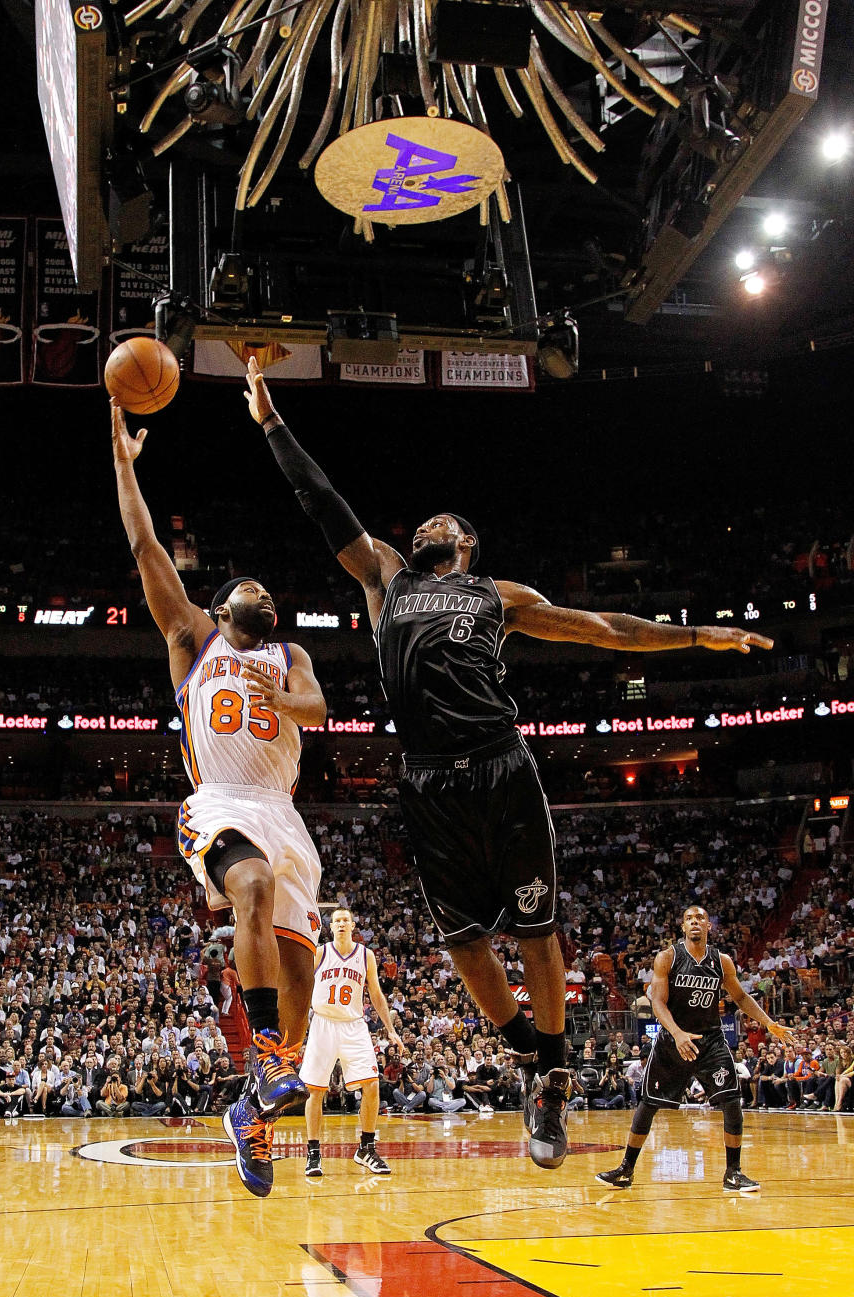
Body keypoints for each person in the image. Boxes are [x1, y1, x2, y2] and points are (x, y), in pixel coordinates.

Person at [245, 359, 774, 1171]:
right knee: (463, 948)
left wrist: (697, 637)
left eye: (444, 523)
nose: (430, 524)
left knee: (537, 934)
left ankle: (552, 1085)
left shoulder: (499, 595)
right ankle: (540, 1061)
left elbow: (602, 628)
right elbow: (324, 505)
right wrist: (274, 422)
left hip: (501, 766)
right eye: (426, 521)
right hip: (426, 779)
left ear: (465, 546)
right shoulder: (385, 575)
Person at [111, 398, 328, 1198]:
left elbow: (317, 708)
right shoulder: (192, 639)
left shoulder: (289, 653)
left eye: (271, 593)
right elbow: (143, 546)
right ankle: (263, 1051)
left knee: (303, 984)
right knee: (252, 887)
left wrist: (291, 701)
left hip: (286, 814)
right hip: (222, 801)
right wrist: (125, 465)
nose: (264, 595)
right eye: (251, 587)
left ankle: (254, 1113)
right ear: (223, 603)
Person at [596, 906, 795, 1194]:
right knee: (648, 1104)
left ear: (709, 926)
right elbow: (658, 1003)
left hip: (711, 1040)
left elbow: (739, 996)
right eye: (689, 918)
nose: (695, 922)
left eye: (700, 918)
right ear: (683, 926)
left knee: (732, 1102)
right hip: (672, 1041)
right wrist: (677, 1034)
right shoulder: (668, 958)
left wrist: (769, 1023)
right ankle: (626, 1169)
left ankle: (733, 1173)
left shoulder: (721, 961)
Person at [301, 908, 403, 1178]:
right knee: (315, 1090)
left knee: (371, 1084)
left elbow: (377, 994)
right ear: (330, 927)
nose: (342, 924)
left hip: (354, 1025)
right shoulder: (320, 953)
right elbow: (300, 986)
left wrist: (390, 1029)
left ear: (353, 925)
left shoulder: (365, 955)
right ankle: (313, 1154)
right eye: (337, 921)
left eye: (346, 920)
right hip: (323, 1022)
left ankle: (366, 1149)